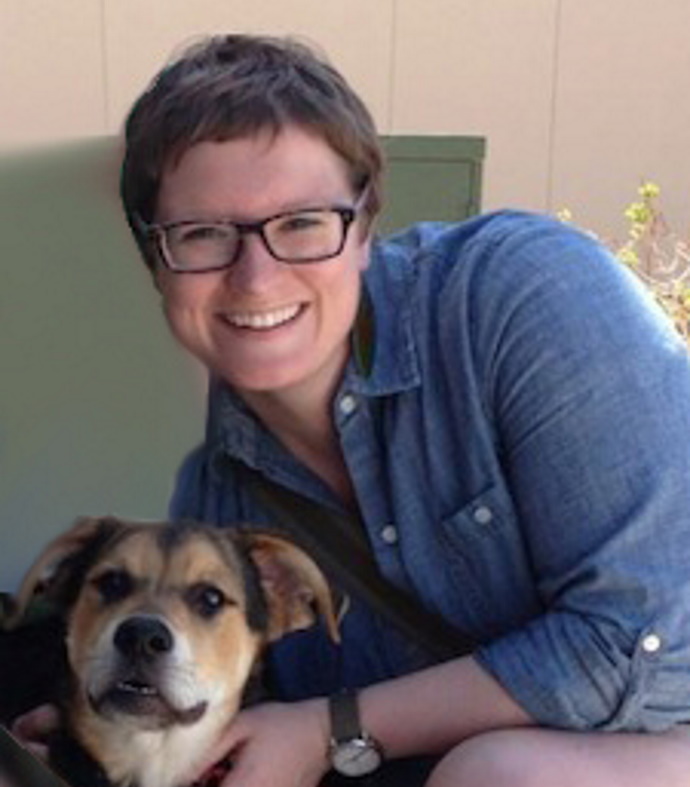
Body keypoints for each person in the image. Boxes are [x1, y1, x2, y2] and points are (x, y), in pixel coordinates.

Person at [14, 33, 690, 787]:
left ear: (365, 225)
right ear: (155, 260)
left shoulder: (524, 300)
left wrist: (331, 727)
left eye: (303, 222)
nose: (258, 277)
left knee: (500, 774)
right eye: (203, 234)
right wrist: (109, 741)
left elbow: (647, 643)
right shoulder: (213, 492)